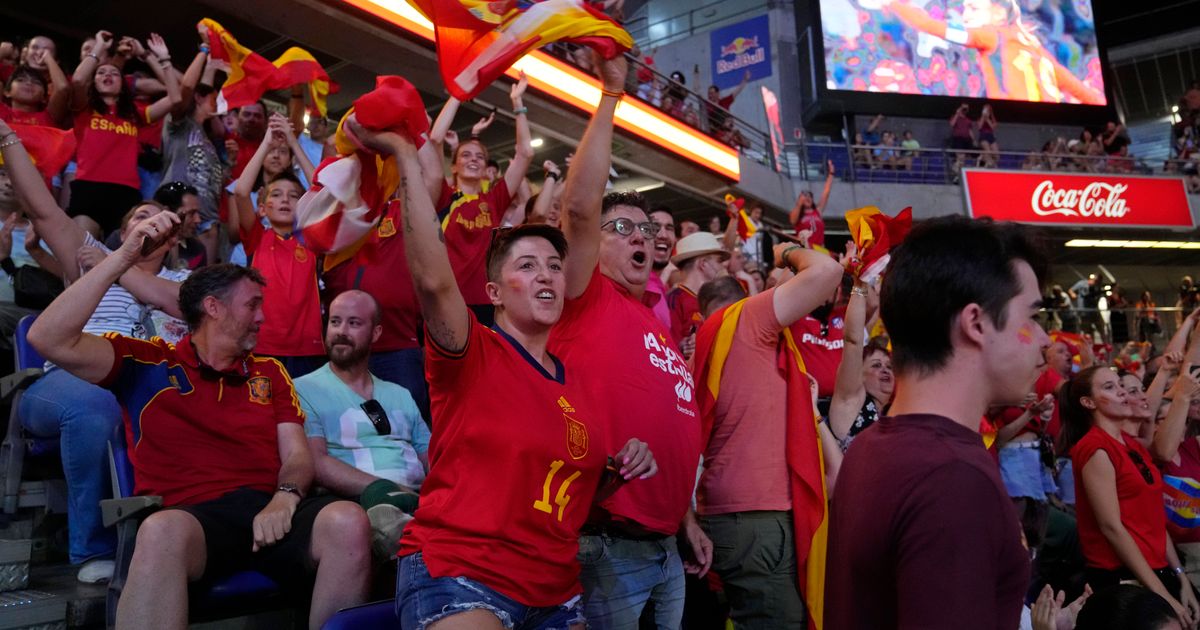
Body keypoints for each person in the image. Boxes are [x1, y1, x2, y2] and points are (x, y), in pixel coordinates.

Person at [348, 117, 655, 629]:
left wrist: (617, 470)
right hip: (460, 571)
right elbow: (432, 279)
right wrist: (405, 156)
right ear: (493, 294)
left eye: (555, 266)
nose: (547, 276)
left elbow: (568, 487)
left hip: (556, 589)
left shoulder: (579, 382)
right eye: (528, 266)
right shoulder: (470, 351)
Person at [28, 246, 370, 628]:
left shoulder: (269, 371)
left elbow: (297, 456)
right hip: (195, 519)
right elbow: (47, 337)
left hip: (269, 511)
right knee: (160, 530)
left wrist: (285, 497)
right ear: (213, 307)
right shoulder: (147, 362)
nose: (262, 317)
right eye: (252, 305)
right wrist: (122, 259)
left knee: (347, 520)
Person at [826, 216, 1050, 629]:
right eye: (1032, 318)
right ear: (976, 323)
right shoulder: (952, 477)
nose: (1045, 339)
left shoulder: (874, 445)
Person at [548, 54, 708, 628]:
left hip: (665, 544)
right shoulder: (583, 293)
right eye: (624, 229)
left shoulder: (652, 321)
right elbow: (579, 206)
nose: (641, 237)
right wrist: (613, 95)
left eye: (647, 231)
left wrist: (685, 518)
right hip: (607, 539)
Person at [2, 119, 192, 583]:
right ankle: (90, 549)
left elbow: (174, 306)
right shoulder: (86, 258)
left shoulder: (182, 283)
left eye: (157, 219)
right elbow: (44, 210)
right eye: (138, 218)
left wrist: (115, 264)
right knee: (95, 408)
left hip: (146, 383)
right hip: (71, 378)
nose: (148, 223)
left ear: (172, 241)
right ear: (123, 231)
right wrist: (8, 138)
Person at [692, 235, 843, 628]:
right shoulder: (747, 319)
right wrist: (786, 251)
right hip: (756, 515)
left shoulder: (719, 339)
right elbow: (827, 270)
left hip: (740, 513)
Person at [1058, 365, 1199, 625]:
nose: (1122, 392)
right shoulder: (1094, 447)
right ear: (1088, 402)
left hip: (1155, 571)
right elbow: (1111, 527)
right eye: (1109, 387)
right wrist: (1161, 593)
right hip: (1122, 576)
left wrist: (1180, 576)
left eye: (1120, 385)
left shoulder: (1131, 444)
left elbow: (1154, 517)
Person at [295, 290, 428, 560]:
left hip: (418, 501)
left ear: (376, 333)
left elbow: (432, 456)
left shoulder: (399, 393)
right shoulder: (301, 389)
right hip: (357, 502)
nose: (341, 331)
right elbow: (316, 463)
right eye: (335, 322)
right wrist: (385, 488)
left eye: (353, 323)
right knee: (387, 520)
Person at [420, 74, 534, 326]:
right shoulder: (443, 196)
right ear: (455, 167)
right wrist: (458, 95)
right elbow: (435, 138)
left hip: (487, 303)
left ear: (485, 170)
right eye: (466, 155)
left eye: (479, 157)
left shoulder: (495, 199)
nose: (473, 159)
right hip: (446, 300)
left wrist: (517, 103)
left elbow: (525, 152)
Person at [230, 114, 323, 377]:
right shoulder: (257, 237)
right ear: (262, 208)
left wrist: (293, 142)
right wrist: (267, 143)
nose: (285, 200)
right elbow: (240, 192)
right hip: (262, 345)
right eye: (277, 195)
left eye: (294, 196)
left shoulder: (313, 239)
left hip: (308, 349)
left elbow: (322, 189)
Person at [883, 0, 1105, 105]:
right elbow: (1086, 94)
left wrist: (892, 3)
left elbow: (930, 25)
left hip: (1015, 123)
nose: (966, 14)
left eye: (974, 8)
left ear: (999, 14)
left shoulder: (990, 36)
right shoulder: (1037, 51)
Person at [68, 31, 181, 236]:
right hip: (88, 187)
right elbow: (77, 81)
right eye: (101, 73)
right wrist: (99, 47)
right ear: (93, 83)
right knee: (80, 253)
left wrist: (162, 58)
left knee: (121, 258)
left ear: (123, 86)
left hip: (126, 192)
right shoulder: (84, 108)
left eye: (114, 73)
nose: (107, 75)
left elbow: (175, 98)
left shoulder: (135, 115)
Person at [828, 274, 893, 451]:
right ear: (859, 375)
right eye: (876, 365)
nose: (886, 370)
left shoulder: (898, 414)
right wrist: (860, 284)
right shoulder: (851, 404)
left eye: (889, 366)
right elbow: (853, 341)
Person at [666, 231, 729, 347]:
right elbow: (669, 345)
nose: (723, 266)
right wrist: (683, 347)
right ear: (703, 264)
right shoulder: (674, 300)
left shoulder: (714, 300)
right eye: (719, 261)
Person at [788, 161, 834, 247]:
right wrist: (799, 203)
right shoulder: (798, 213)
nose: (808, 198)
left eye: (810, 196)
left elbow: (826, 193)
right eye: (805, 196)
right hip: (804, 249)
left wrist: (831, 173)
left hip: (819, 249)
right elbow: (792, 220)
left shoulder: (817, 211)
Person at [645, 206, 677, 331]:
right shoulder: (628, 286)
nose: (663, 235)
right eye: (655, 227)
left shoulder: (659, 286)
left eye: (669, 228)